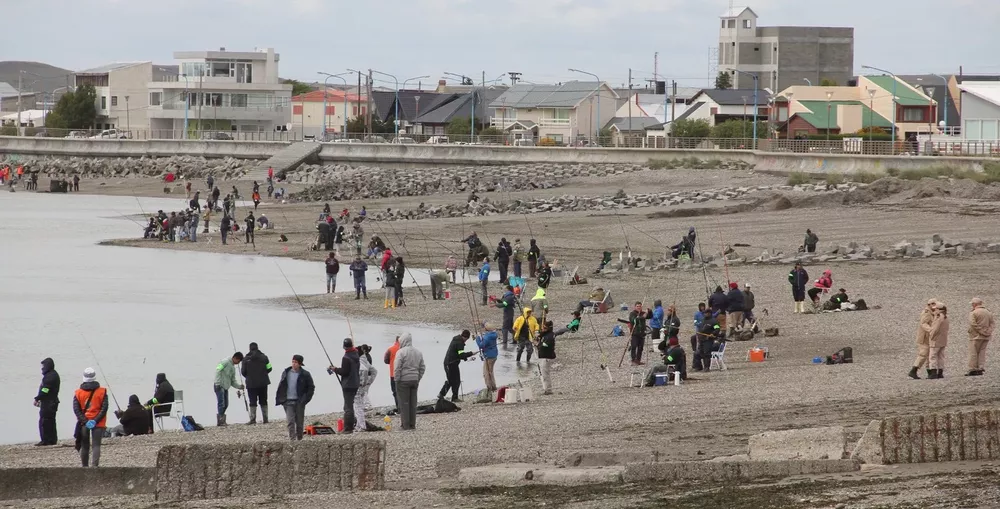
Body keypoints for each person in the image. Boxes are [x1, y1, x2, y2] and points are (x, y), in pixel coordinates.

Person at [73, 368, 109, 467]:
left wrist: (85, 421)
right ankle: (95, 466)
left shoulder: (78, 393)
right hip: (99, 422)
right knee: (96, 445)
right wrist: (95, 420)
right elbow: (104, 408)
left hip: (83, 423)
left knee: (85, 446)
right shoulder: (102, 391)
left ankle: (84, 466)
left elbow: (76, 410)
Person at [275, 354, 315, 441]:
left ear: (300, 364)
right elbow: (281, 385)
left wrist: (306, 399)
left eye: (296, 362)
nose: (294, 364)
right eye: (293, 362)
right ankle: (292, 439)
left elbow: (311, 388)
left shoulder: (305, 374)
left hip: (299, 401)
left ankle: (299, 438)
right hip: (288, 401)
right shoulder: (286, 372)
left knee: (299, 422)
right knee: (290, 421)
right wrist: (281, 399)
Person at [393, 333, 425, 430]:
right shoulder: (418, 352)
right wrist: (418, 377)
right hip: (414, 380)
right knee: (413, 403)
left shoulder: (401, 352)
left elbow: (397, 367)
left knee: (404, 403)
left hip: (403, 380)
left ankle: (405, 425)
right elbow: (422, 367)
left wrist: (397, 379)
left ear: (402, 341)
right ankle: (412, 424)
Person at [329, 338, 361, 434]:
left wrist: (335, 369)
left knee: (348, 407)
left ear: (344, 347)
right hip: (355, 383)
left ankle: (348, 428)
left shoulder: (346, 357)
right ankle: (352, 423)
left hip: (348, 384)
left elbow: (344, 372)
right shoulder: (356, 354)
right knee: (349, 404)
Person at [438, 330, 476, 402]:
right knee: (453, 380)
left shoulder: (457, 339)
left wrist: (466, 357)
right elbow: (461, 355)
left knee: (454, 380)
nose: (466, 341)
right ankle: (446, 396)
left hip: (451, 363)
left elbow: (459, 354)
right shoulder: (460, 343)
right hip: (450, 364)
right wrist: (471, 353)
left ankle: (447, 395)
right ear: (465, 337)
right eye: (466, 339)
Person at [241, 343, 272, 424]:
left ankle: (253, 419)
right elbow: (269, 368)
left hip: (251, 384)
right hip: (263, 382)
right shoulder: (264, 357)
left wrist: (249, 376)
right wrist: (263, 373)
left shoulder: (245, 359)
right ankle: (265, 419)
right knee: (264, 400)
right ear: (258, 348)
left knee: (252, 401)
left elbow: (243, 372)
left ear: (250, 349)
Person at [537, 320, 570, 395]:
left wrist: (538, 344)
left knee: (545, 374)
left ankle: (548, 390)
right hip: (544, 356)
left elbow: (546, 345)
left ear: (549, 328)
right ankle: (546, 388)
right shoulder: (547, 334)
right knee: (543, 373)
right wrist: (539, 337)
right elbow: (542, 336)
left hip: (546, 357)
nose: (543, 329)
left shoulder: (549, 336)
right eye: (543, 327)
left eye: (544, 328)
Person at [34, 357, 60, 446]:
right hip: (50, 402)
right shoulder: (51, 375)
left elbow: (45, 390)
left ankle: (46, 440)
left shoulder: (50, 377)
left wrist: (37, 398)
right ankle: (51, 440)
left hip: (49, 403)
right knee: (50, 421)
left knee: (45, 421)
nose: (42, 368)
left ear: (47, 366)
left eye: (43, 366)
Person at [213, 352, 245, 427]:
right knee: (221, 403)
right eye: (238, 361)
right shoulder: (225, 362)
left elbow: (233, 381)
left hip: (226, 387)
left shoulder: (233, 368)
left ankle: (221, 419)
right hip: (219, 385)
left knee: (226, 404)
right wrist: (218, 382)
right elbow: (218, 369)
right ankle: (221, 421)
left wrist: (239, 386)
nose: (238, 363)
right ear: (235, 358)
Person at [967, 297, 995, 376]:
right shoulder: (988, 312)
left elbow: (973, 324)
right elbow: (992, 323)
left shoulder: (973, 313)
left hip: (975, 336)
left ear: (975, 304)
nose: (972, 305)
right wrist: (988, 331)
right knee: (982, 352)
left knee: (973, 352)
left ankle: (973, 369)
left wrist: (980, 331)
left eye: (972, 304)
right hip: (986, 336)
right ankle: (981, 367)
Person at [910, 299, 937, 380]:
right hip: (924, 337)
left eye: (934, 304)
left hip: (929, 337)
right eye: (931, 304)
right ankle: (913, 370)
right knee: (923, 354)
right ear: (928, 305)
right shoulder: (926, 313)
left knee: (929, 354)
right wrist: (931, 330)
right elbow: (923, 323)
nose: (933, 306)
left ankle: (930, 372)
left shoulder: (933, 312)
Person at [355, 345, 378, 432]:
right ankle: (359, 425)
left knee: (357, 406)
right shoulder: (365, 359)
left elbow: (364, 370)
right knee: (360, 405)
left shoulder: (360, 361)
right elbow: (374, 371)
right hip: (364, 385)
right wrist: (369, 381)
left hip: (359, 386)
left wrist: (363, 382)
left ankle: (362, 426)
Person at [924, 303, 950, 379]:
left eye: (935, 309)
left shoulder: (938, 318)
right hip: (943, 339)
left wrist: (931, 336)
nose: (934, 310)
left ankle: (933, 372)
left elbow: (935, 329)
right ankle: (940, 372)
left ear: (939, 310)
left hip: (936, 340)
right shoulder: (946, 317)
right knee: (941, 356)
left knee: (933, 356)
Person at [474, 323, 500, 392]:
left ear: (487, 329)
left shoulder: (487, 336)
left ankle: (489, 387)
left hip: (489, 356)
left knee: (486, 373)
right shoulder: (494, 334)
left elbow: (481, 345)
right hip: (494, 355)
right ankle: (493, 386)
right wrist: (482, 336)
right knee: (490, 372)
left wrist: (477, 338)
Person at [383, 337, 402, 411]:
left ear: (396, 341)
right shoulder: (404, 349)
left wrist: (392, 362)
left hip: (393, 374)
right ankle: (404, 407)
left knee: (395, 391)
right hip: (403, 374)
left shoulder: (390, 349)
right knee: (403, 392)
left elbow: (385, 360)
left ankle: (398, 406)